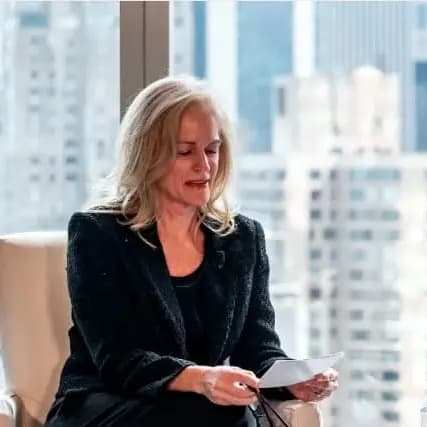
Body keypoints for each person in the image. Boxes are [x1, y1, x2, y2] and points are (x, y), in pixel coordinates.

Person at [44, 76, 338, 427]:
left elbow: (256, 346)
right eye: (185, 152)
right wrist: (202, 378)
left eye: (211, 149)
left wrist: (291, 379)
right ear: (148, 154)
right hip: (105, 403)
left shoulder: (243, 239)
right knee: (221, 415)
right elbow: (118, 359)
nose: (204, 165)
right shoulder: (98, 234)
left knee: (223, 413)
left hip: (199, 409)